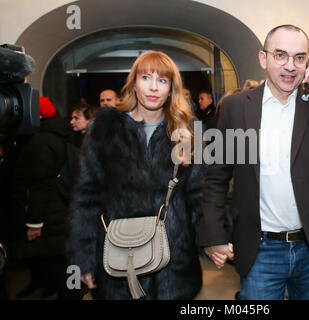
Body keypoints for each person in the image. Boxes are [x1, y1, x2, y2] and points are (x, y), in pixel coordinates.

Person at [197, 24, 309, 300]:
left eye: (299, 57)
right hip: (260, 249)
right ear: (264, 58)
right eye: (280, 55)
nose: (290, 66)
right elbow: (216, 177)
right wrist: (213, 234)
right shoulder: (236, 108)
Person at [67, 50, 205, 300]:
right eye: (146, 78)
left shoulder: (186, 130)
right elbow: (86, 196)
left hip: (173, 261)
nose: (153, 87)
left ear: (171, 88)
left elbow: (198, 195)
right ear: (133, 83)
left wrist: (206, 240)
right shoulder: (105, 129)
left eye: (162, 80)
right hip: (119, 255)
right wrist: (83, 257)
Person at [13, 102, 95, 300]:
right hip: (67, 213)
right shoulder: (68, 138)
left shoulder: (50, 141)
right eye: (72, 117)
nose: (72, 121)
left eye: (77, 117)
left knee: (64, 266)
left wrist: (35, 222)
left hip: (65, 214)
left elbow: (43, 184)